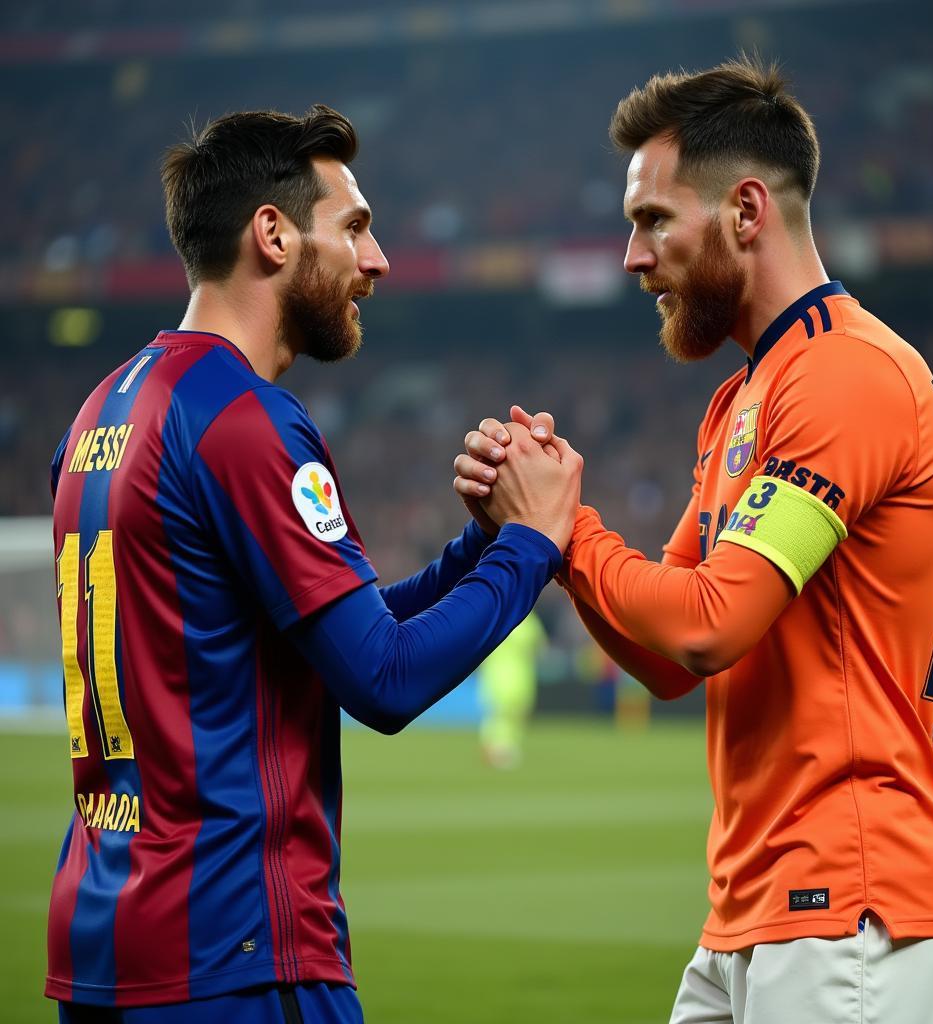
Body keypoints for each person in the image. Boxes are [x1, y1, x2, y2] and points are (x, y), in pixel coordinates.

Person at [456, 58, 933, 1024]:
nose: (632, 255)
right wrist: (546, 540)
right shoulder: (745, 399)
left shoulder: (844, 376)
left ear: (746, 211)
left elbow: (708, 626)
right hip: (759, 910)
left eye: (654, 219)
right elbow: (669, 662)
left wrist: (563, 528)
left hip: (854, 911)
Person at [45, 105, 582, 1023]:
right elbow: (383, 677)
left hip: (104, 941)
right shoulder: (242, 419)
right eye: (357, 227)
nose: (376, 262)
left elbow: (333, 635)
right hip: (234, 951)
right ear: (273, 233)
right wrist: (536, 544)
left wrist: (480, 547)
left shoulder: (104, 411)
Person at [478, 610, 547, 768]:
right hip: (510, 675)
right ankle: (499, 749)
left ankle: (500, 747)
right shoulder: (527, 619)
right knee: (503, 713)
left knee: (505, 713)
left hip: (505, 675)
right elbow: (540, 647)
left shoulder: (494, 616)